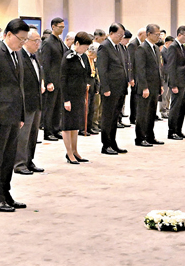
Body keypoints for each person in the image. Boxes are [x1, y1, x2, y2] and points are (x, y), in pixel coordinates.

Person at [0, 18, 29, 212]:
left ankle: (6, 192)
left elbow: (18, 88)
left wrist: (21, 115)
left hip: (12, 115)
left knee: (8, 157)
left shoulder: (15, 54)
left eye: (25, 40)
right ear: (8, 35)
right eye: (21, 39)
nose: (22, 43)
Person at [14, 28, 44, 174]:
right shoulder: (20, 56)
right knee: (23, 136)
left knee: (33, 135)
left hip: (36, 101)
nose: (38, 44)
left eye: (39, 41)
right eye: (35, 41)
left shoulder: (35, 56)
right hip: (25, 102)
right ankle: (19, 163)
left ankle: (28, 160)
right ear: (26, 41)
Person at [60, 32, 92, 163]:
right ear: (77, 43)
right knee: (68, 125)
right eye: (84, 47)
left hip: (79, 94)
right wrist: (66, 99)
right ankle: (69, 153)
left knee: (75, 125)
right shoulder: (68, 57)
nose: (85, 50)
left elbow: (87, 73)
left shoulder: (83, 57)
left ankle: (75, 150)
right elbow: (63, 79)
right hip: (69, 95)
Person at [97, 23, 128, 155]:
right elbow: (102, 69)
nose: (121, 37)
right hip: (110, 89)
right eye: (119, 35)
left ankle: (113, 142)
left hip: (120, 88)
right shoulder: (104, 47)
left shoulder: (119, 47)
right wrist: (105, 87)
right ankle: (106, 144)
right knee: (107, 117)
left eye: (122, 35)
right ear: (111, 33)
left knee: (115, 117)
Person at [135, 25, 164, 146]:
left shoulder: (156, 48)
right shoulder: (142, 48)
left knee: (152, 112)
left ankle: (150, 136)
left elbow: (158, 69)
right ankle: (140, 138)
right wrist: (144, 87)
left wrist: (160, 85)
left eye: (159, 34)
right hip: (146, 87)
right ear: (148, 34)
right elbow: (140, 70)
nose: (158, 37)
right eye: (156, 34)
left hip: (155, 86)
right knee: (143, 113)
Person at [38, 17, 65, 142]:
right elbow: (45, 63)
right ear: (53, 27)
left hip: (60, 78)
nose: (62, 29)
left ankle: (56, 128)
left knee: (57, 106)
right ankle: (48, 131)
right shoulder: (48, 42)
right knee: (50, 106)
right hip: (52, 79)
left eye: (63, 27)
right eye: (60, 27)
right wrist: (48, 81)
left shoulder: (59, 41)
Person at [164, 26, 185, 141]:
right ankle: (172, 131)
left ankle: (178, 130)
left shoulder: (182, 47)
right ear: (179, 35)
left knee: (182, 107)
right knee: (175, 108)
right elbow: (171, 67)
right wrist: (173, 84)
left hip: (184, 81)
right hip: (177, 83)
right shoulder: (173, 47)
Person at [127, 28, 145, 132]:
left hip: (139, 75)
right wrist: (131, 77)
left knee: (137, 96)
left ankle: (136, 115)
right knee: (134, 96)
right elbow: (131, 62)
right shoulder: (133, 44)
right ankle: (133, 117)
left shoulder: (140, 44)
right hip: (135, 75)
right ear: (141, 34)